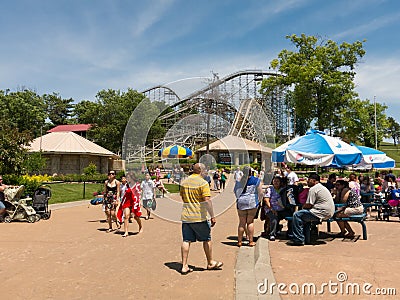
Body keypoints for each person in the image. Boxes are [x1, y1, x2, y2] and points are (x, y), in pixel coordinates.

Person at [179, 163, 223, 274]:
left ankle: (184, 265)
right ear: (201, 171)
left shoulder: (184, 182)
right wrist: (212, 216)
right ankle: (210, 262)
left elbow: (183, 198)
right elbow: (207, 201)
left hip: (186, 215)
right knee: (206, 239)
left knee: (186, 240)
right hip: (199, 216)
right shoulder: (203, 183)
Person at [288, 173, 335, 246]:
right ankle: (306, 237)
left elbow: (309, 204)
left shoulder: (313, 189)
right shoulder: (321, 187)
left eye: (309, 180)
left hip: (320, 212)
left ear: (315, 181)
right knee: (303, 217)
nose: (307, 181)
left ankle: (298, 239)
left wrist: (302, 207)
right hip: (327, 212)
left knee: (297, 215)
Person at [234, 166, 263, 247]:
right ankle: (250, 241)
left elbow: (235, 191)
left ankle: (239, 241)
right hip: (252, 201)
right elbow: (260, 192)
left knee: (242, 223)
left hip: (241, 201)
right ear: (251, 172)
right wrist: (259, 201)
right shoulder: (256, 180)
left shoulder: (239, 180)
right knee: (250, 222)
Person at [263, 176, 290, 241]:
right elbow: (266, 200)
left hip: (282, 209)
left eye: (277, 181)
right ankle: (272, 234)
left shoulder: (283, 189)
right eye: (274, 181)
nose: (276, 182)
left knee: (291, 217)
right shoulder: (270, 189)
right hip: (271, 209)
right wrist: (272, 209)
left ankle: (290, 233)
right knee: (274, 217)